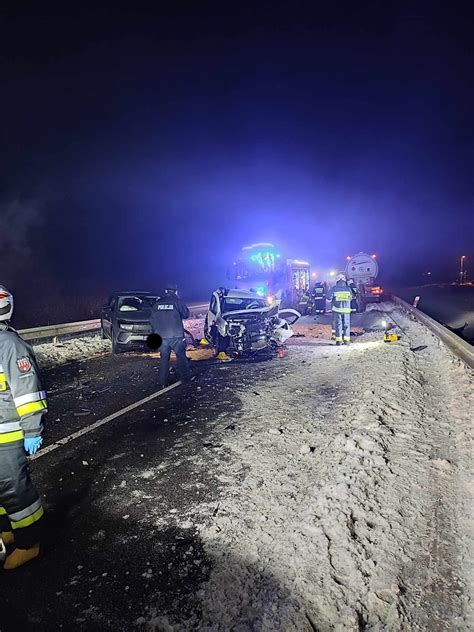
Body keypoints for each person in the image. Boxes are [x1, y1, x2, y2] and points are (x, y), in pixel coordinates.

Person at [0, 286, 47, 569]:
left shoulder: (9, 345)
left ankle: (29, 543)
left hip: (9, 433)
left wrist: (32, 431)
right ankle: (8, 529)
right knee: (1, 489)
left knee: (15, 489)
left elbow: (28, 392)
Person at [150, 283, 191, 388]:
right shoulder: (178, 302)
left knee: (164, 359)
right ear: (176, 291)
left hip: (162, 336)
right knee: (181, 358)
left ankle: (163, 382)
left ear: (166, 291)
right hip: (176, 336)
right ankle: (185, 379)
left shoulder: (157, 303)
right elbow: (186, 314)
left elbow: (151, 320)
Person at [326, 274, 355, 345]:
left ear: (337, 280)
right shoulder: (348, 289)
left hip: (337, 310)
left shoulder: (334, 288)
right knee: (347, 325)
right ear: (344, 280)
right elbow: (351, 298)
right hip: (346, 310)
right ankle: (347, 341)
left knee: (338, 325)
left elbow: (328, 298)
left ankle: (339, 341)